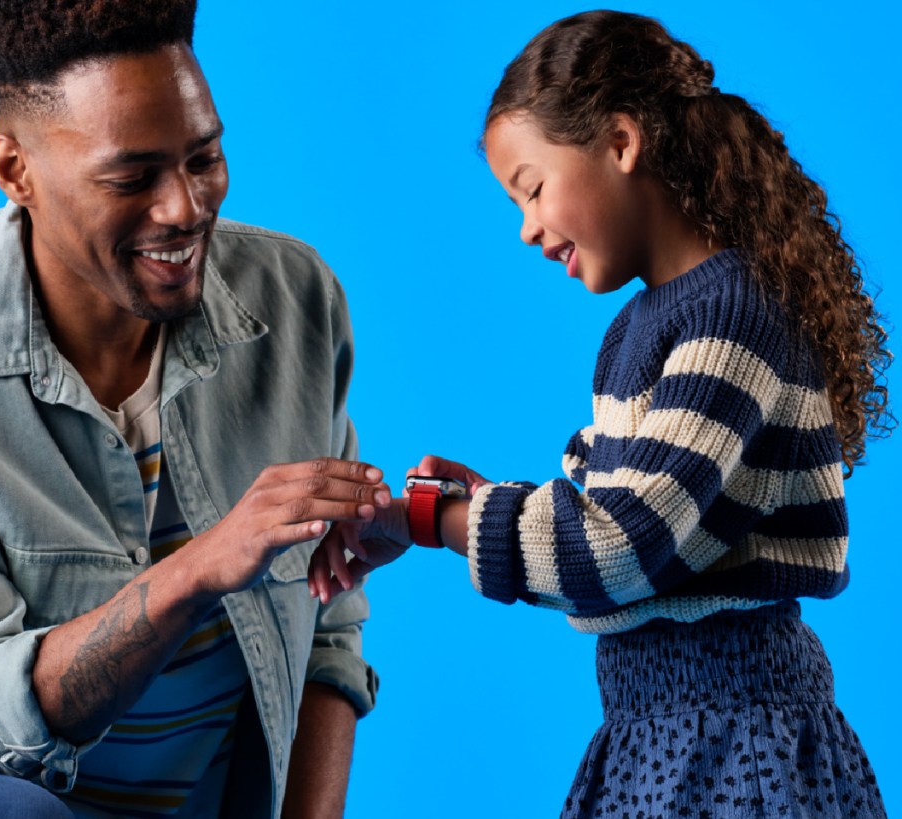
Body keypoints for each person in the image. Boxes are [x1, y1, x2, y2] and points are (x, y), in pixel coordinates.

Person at [309, 9, 892, 817]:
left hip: (735, 749)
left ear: (621, 143)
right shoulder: (639, 330)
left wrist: (435, 517)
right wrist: (472, 507)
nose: (526, 229)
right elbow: (605, 551)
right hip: (651, 733)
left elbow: (621, 544)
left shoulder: (733, 318)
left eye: (533, 188)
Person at [0, 1, 390, 817]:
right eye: (132, 177)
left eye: (204, 156)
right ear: (16, 172)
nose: (185, 207)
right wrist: (200, 567)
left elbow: (329, 632)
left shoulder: (297, 299)